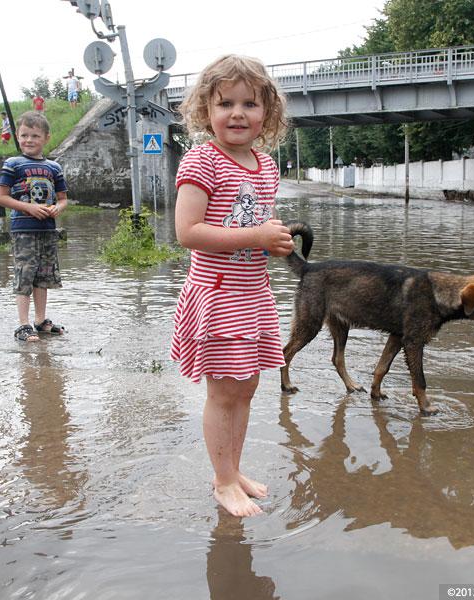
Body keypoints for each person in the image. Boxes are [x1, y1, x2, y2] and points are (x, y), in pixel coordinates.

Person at [171, 54, 293, 517]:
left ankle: (233, 469)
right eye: (225, 103)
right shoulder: (203, 160)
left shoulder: (265, 166)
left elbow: (252, 226)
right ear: (206, 111)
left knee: (246, 390)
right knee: (223, 394)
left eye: (250, 104)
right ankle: (223, 482)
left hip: (254, 294)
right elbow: (188, 232)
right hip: (218, 296)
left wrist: (271, 243)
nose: (237, 113)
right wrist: (256, 236)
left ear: (268, 114)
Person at [0, 111, 68, 342]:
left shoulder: (54, 168)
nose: (29, 140)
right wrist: (29, 208)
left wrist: (58, 207)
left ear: (46, 138)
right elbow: (2, 198)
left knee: (43, 275)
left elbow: (63, 198)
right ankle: (23, 324)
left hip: (47, 229)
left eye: (35, 136)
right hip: (23, 228)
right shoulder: (12, 164)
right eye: (24, 135)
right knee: (24, 273)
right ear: (17, 136)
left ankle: (40, 320)